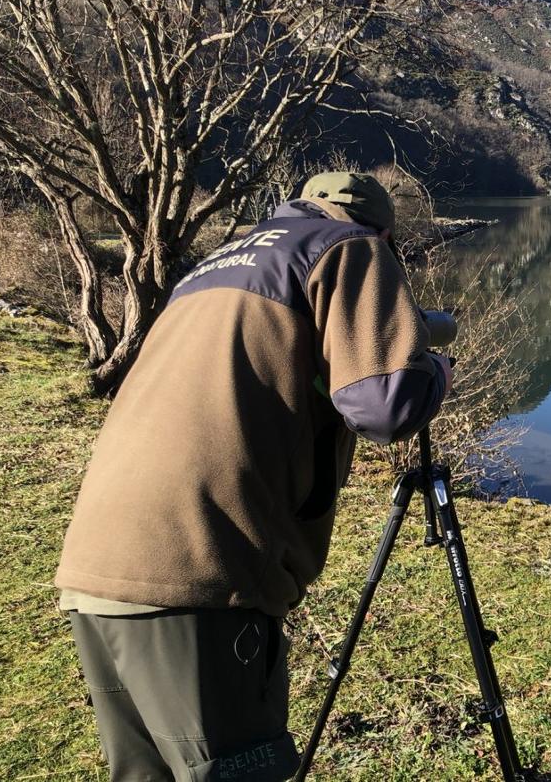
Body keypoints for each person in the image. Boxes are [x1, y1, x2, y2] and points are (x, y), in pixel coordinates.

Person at [55, 172, 451, 781]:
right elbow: (384, 406)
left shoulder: (212, 269)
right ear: (383, 230)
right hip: (197, 571)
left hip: (98, 568)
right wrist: (434, 369)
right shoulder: (350, 247)